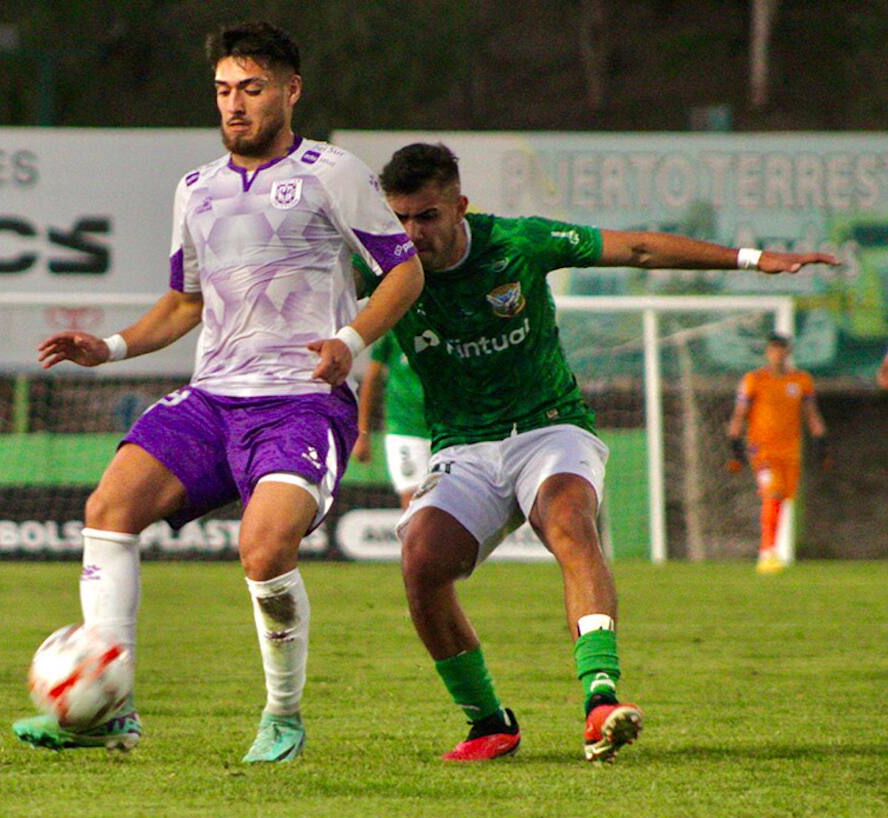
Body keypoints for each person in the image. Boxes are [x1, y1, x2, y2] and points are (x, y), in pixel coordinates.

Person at [12, 22, 423, 762]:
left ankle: (284, 717)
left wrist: (351, 342)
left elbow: (405, 272)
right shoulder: (196, 188)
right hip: (213, 398)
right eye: (224, 91)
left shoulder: (334, 173)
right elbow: (184, 305)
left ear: (291, 92)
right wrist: (105, 348)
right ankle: (113, 708)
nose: (234, 106)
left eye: (252, 89)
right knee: (108, 509)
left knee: (263, 551)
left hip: (300, 401)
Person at [354, 143, 839, 763]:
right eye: (400, 219)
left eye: (426, 216)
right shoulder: (383, 268)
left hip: (550, 427)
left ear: (460, 208)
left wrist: (752, 259)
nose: (413, 233)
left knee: (569, 523)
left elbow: (636, 247)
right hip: (464, 446)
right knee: (420, 561)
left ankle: (600, 699)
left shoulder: (519, 243)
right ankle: (488, 723)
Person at [726, 334, 829, 574]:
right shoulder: (754, 379)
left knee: (781, 498)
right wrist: (734, 445)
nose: (778, 354)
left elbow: (811, 414)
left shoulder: (801, 380)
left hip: (790, 451)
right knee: (772, 493)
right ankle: (767, 553)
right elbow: (740, 414)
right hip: (761, 450)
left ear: (788, 352)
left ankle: (771, 550)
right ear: (767, 352)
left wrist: (822, 443)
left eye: (782, 349)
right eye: (774, 349)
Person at [353, 332, 429, 507]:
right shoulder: (394, 328)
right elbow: (371, 380)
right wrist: (362, 434)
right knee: (414, 504)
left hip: (450, 429)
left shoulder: (450, 322)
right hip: (405, 428)